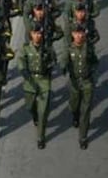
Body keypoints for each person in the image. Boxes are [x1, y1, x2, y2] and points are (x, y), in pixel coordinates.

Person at [19, 22, 56, 149]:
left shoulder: (47, 48)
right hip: (30, 81)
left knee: (43, 111)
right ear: (31, 34)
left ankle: (41, 137)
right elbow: (21, 62)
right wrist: (24, 72)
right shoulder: (26, 48)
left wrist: (49, 67)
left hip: (44, 81)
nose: (37, 36)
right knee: (30, 107)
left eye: (39, 33)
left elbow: (53, 60)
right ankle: (34, 116)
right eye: (35, 33)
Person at [62, 22, 99, 150]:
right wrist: (63, 67)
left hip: (87, 82)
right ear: (72, 34)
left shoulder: (88, 48)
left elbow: (95, 62)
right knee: (74, 104)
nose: (78, 36)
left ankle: (83, 137)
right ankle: (74, 114)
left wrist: (93, 73)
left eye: (81, 33)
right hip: (74, 82)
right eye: (76, 33)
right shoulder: (69, 48)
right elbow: (64, 60)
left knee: (86, 109)